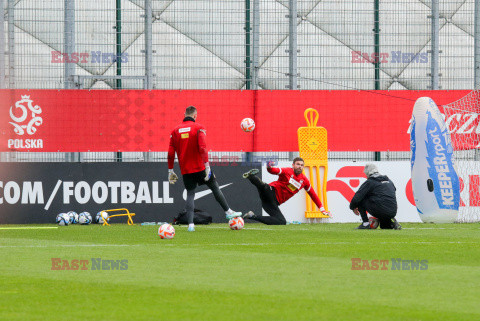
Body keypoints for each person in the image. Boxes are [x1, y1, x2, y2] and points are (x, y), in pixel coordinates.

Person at [167, 106, 242, 232]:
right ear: (195, 115)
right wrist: (207, 166)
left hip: (186, 170)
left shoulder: (175, 131)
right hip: (200, 167)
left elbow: (170, 153)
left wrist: (170, 170)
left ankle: (191, 225)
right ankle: (228, 211)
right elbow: (202, 148)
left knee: (190, 194)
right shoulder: (199, 128)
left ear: (184, 114)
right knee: (214, 185)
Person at [242, 157, 330, 225]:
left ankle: (252, 216)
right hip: (272, 191)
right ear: (293, 165)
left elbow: (313, 194)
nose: (300, 167)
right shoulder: (287, 171)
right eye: (298, 164)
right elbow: (272, 170)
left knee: (281, 221)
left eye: (302, 165)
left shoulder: (304, 181)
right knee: (263, 187)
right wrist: (269, 166)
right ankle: (251, 176)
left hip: (271, 203)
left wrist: (322, 209)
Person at [350, 163, 401, 230]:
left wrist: (352, 207)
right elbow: (393, 191)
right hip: (393, 211)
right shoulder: (389, 180)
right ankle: (391, 224)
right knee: (384, 226)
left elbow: (356, 198)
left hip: (380, 210)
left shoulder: (370, 182)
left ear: (367, 173)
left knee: (361, 198)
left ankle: (365, 223)